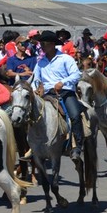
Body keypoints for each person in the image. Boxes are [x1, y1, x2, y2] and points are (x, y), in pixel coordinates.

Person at [33, 30, 85, 161]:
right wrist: (34, 89)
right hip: (47, 93)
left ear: (51, 44)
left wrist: (63, 82)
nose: (42, 46)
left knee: (75, 115)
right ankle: (33, 146)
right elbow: (35, 79)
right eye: (41, 44)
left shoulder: (65, 59)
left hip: (65, 92)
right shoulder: (40, 62)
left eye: (44, 43)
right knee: (31, 115)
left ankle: (77, 147)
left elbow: (77, 74)